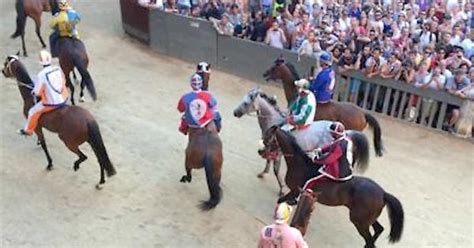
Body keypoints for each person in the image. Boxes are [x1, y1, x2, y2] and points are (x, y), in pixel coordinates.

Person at [18, 50, 69, 136]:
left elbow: (37, 92)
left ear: (41, 62)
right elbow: (63, 81)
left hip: (51, 103)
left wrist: (34, 91)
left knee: (32, 112)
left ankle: (28, 131)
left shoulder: (41, 75)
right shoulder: (57, 68)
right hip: (64, 98)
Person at [302, 122, 354, 191]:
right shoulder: (345, 139)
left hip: (339, 173)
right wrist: (321, 150)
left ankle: (298, 198)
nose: (330, 134)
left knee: (310, 182)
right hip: (347, 169)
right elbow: (332, 146)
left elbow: (328, 159)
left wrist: (314, 158)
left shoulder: (340, 146)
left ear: (335, 134)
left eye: (331, 133)